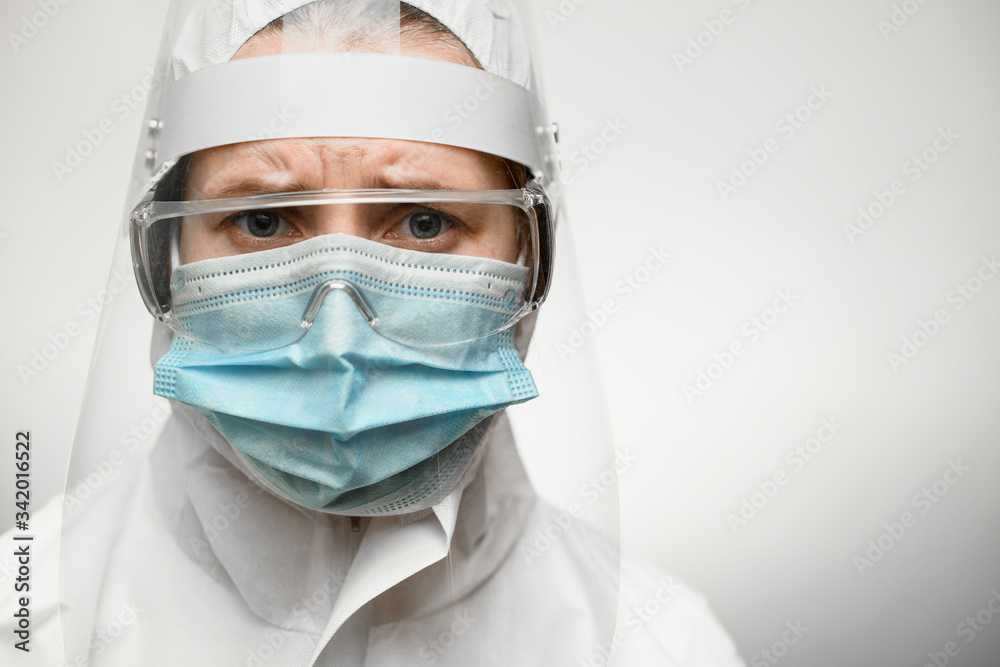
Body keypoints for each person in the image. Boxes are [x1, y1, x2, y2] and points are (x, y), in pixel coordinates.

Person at [1, 1, 745, 664]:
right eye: (263, 220)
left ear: (528, 257)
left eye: (424, 222)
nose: (335, 339)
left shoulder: (659, 644)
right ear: (166, 263)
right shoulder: (27, 623)